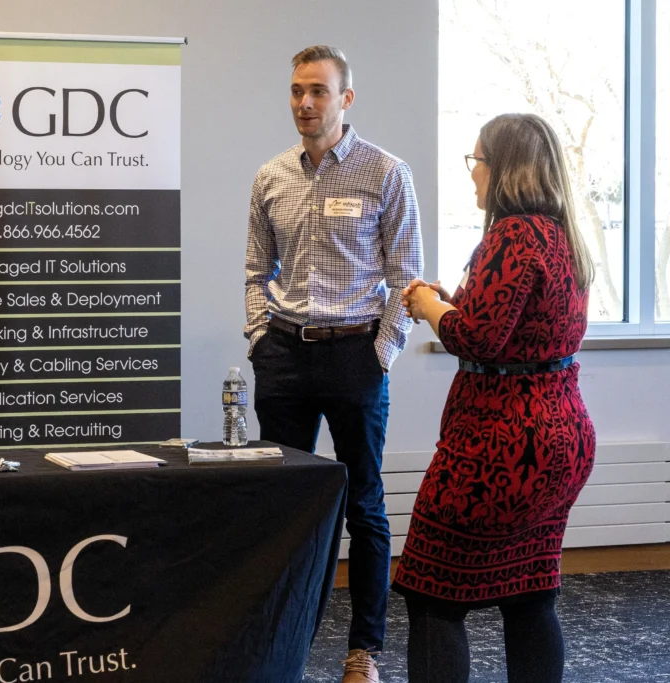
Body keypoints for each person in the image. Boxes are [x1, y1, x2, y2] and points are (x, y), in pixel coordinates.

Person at [394, 112, 596, 683]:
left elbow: (477, 336)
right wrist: (451, 299)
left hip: (500, 446)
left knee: (431, 591)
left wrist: (431, 308)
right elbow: (514, 324)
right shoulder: (564, 237)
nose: (472, 175)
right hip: (563, 437)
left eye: (476, 161)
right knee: (531, 592)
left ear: (503, 167)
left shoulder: (511, 234)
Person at [244, 45, 423, 683]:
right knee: (284, 504)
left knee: (364, 506)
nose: (304, 103)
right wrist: (260, 337)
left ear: (345, 99)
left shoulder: (386, 173)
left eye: (318, 91)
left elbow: (408, 278)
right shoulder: (271, 176)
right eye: (296, 90)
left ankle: (362, 652)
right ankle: (278, 641)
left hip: (355, 355)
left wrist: (381, 353)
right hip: (285, 358)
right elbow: (254, 271)